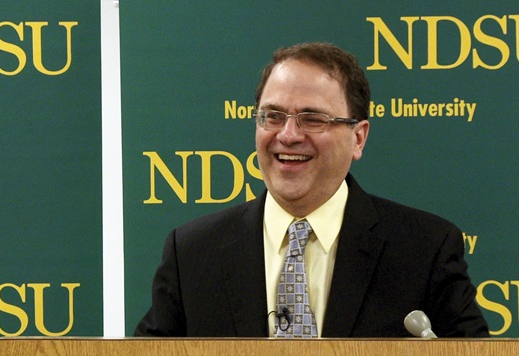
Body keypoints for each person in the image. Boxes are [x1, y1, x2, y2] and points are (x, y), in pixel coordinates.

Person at [135, 42, 489, 338]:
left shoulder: (424, 250)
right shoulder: (193, 254)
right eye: (272, 116)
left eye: (313, 119)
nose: (288, 135)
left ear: (358, 137)